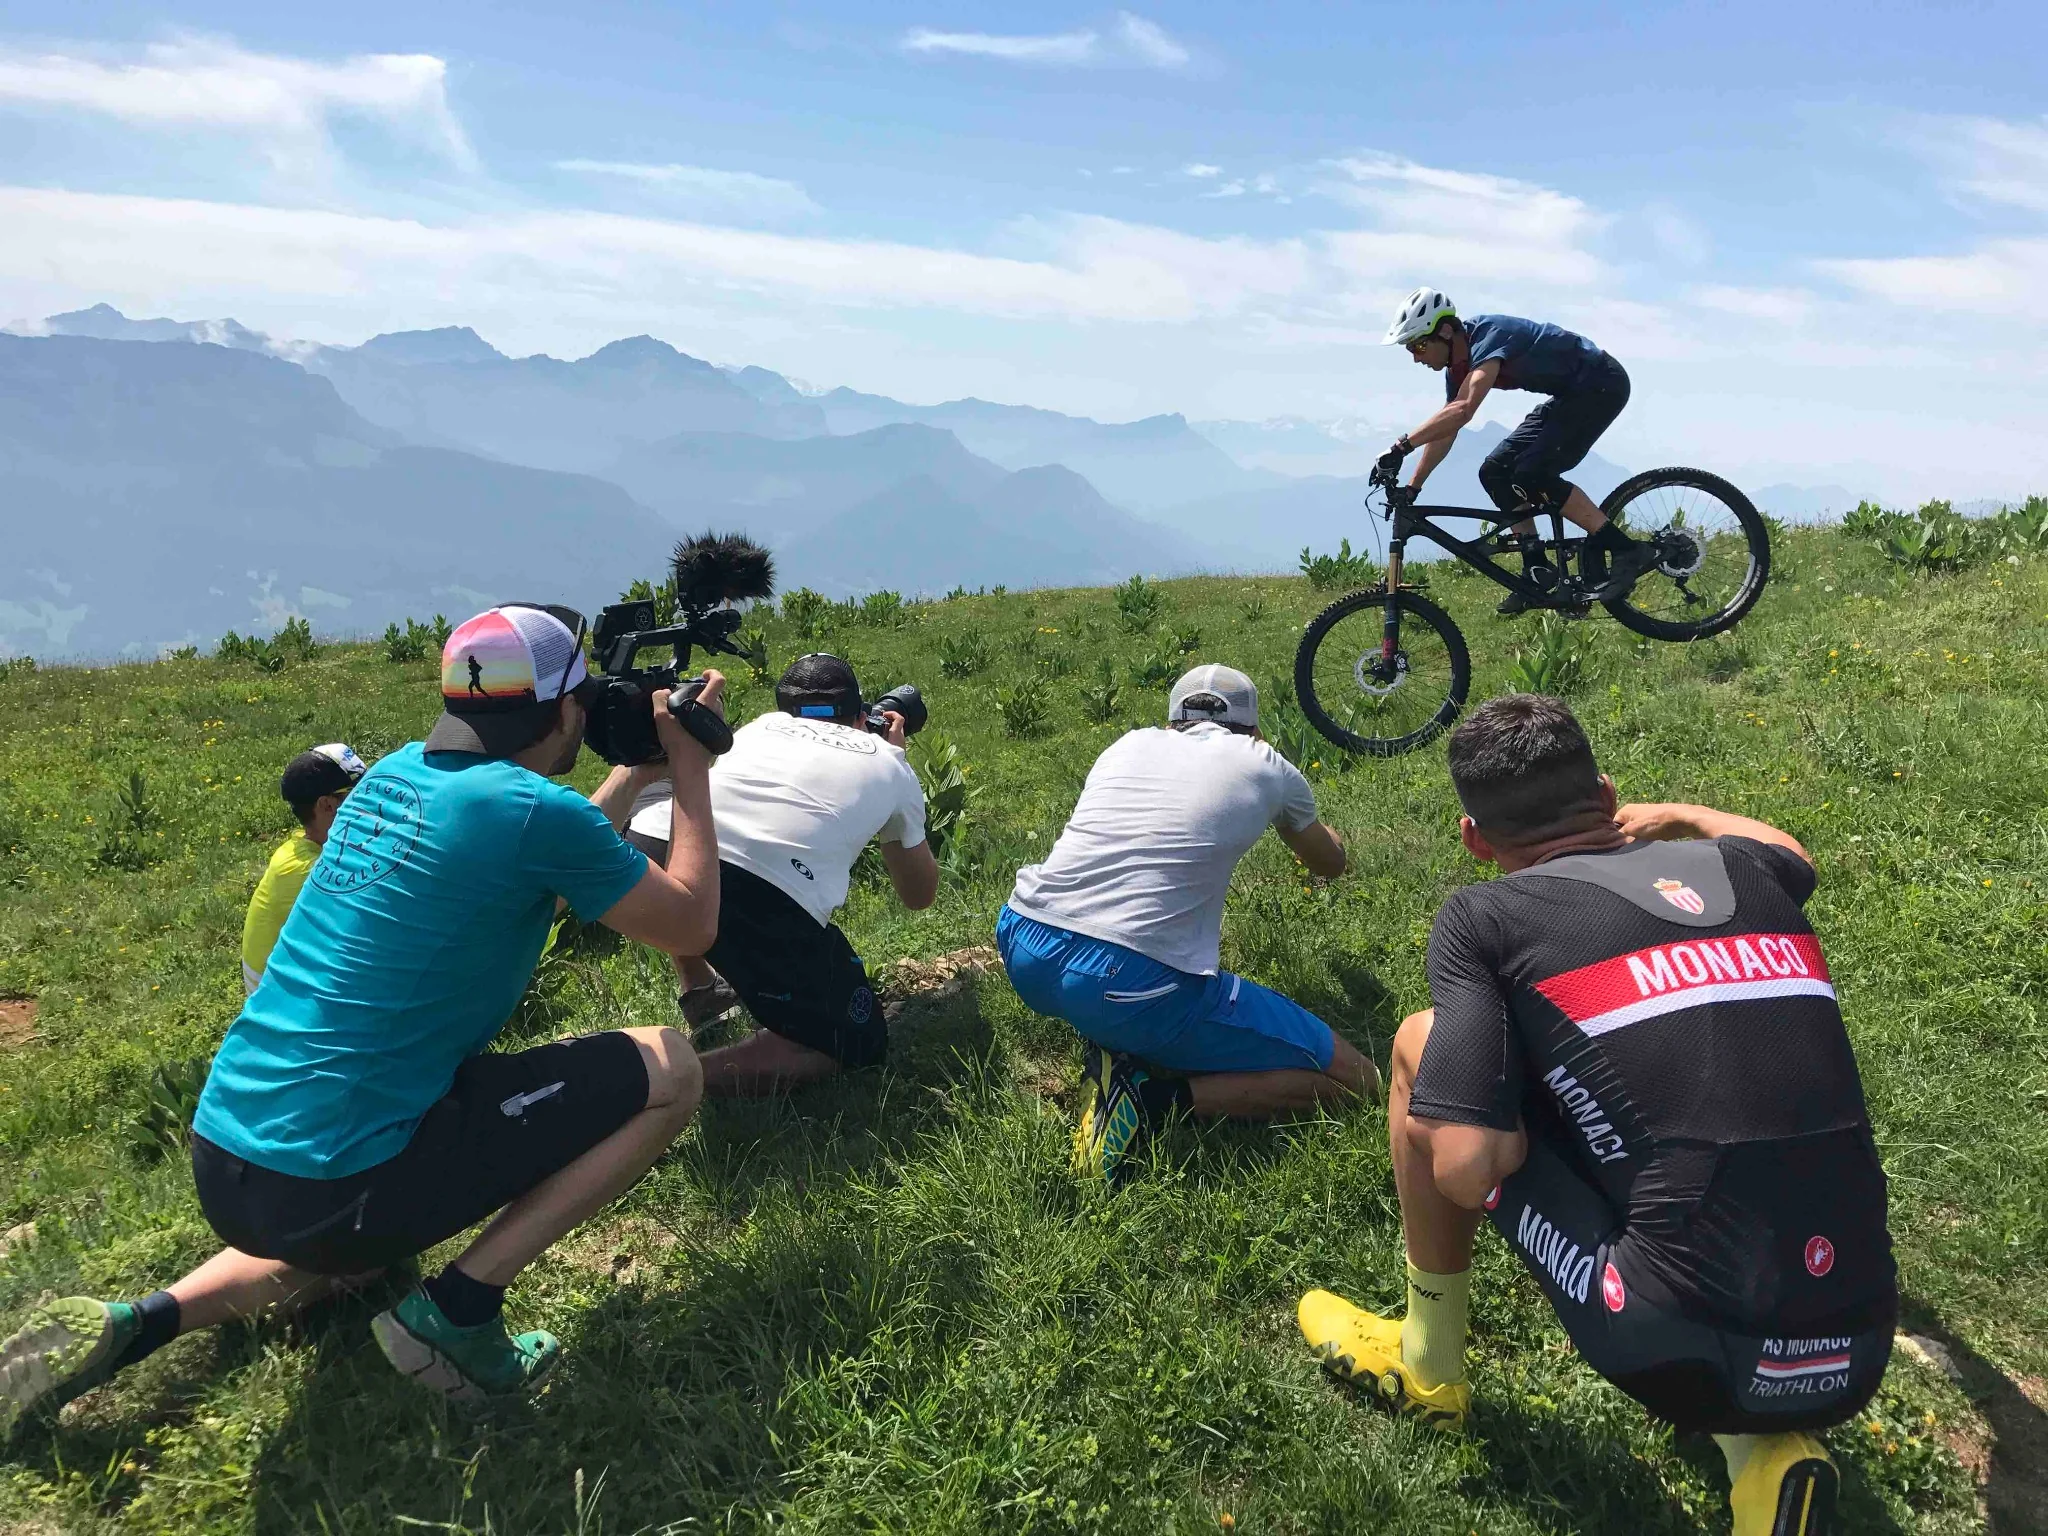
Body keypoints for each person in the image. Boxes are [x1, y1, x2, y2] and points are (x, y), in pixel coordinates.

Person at [1, 604, 728, 1433]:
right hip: (339, 1177)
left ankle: (146, 1318)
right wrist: (690, 766)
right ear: (568, 711)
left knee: (351, 1241)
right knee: (671, 1067)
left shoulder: (389, 775)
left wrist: (634, 773)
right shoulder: (532, 814)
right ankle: (458, 1312)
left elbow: (544, 852)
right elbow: (692, 925)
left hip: (231, 1151)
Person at [1297, 695, 1894, 1536]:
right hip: (1860, 1338)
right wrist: (1682, 813)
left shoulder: (1485, 916)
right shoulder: (1746, 869)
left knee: (1422, 1047)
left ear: (1474, 840)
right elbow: (1789, 850)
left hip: (1663, 1340)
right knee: (1657, 1126)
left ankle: (1429, 1369)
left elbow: (1466, 1166)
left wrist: (1507, 1112)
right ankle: (1765, 1457)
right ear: (1610, 796)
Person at [997, 664, 1378, 1183]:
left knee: (1114, 993)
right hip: (1126, 979)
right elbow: (1328, 863)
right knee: (1359, 1081)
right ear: (1252, 728)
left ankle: (1114, 1041)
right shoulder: (1266, 763)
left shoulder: (1126, 743)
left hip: (1024, 938)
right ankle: (1151, 1101)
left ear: (1173, 720)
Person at [622, 653, 937, 1095]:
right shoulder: (890, 761)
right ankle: (660, 1082)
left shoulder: (762, 726)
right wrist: (894, 759)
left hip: (649, 846)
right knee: (852, 1042)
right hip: (756, 892)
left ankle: (701, 993)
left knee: (707, 842)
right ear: (861, 714)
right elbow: (918, 894)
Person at [1377, 286, 1660, 616]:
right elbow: (1449, 426)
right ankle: (1537, 570)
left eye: (1419, 344)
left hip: (1600, 384)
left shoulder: (1490, 335)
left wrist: (1401, 446)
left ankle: (1626, 549)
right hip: (1569, 396)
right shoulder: (1459, 367)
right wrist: (1414, 487)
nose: (1415, 356)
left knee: (1532, 473)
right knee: (1494, 471)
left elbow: (1464, 409)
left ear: (1445, 331)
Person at [239, 743, 367, 994]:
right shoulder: (307, 869)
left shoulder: (310, 843)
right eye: (359, 793)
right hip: (280, 999)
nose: (369, 801)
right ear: (327, 805)